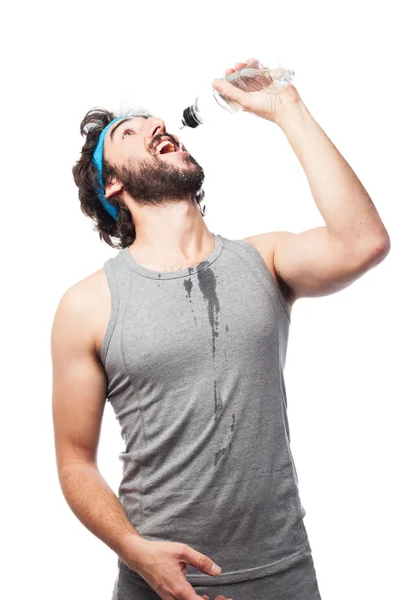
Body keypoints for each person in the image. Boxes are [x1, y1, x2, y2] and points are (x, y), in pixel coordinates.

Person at [51, 58, 390, 600]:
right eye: (129, 131)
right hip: (157, 583)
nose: (156, 126)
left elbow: (363, 242)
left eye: (155, 122)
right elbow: (74, 462)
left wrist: (287, 109)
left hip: (283, 575)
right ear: (112, 183)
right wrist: (138, 554)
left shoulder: (265, 259)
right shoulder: (87, 305)